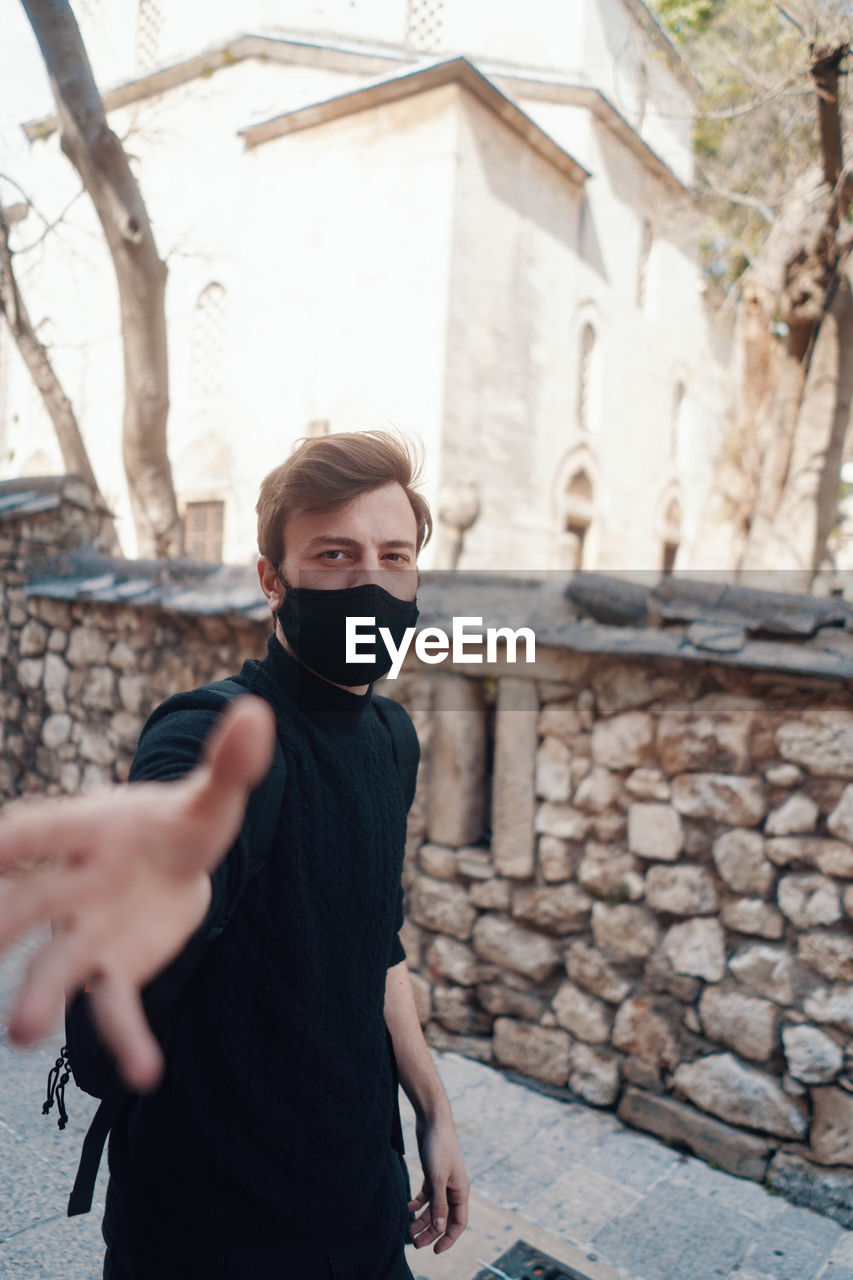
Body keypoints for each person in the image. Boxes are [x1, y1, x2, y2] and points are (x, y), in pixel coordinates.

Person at [0, 430, 469, 1279]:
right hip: (205, 1230)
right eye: (335, 554)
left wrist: (433, 1109)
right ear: (271, 579)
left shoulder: (392, 739)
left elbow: (376, 944)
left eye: (393, 556)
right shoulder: (210, 736)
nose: (370, 581)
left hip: (363, 1206)